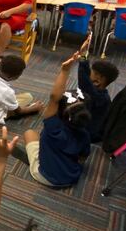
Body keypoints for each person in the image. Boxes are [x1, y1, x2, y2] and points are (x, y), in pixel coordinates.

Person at [23, 52, 92, 187]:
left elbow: (54, 97)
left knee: (29, 133)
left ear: (58, 112)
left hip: (46, 177)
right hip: (72, 176)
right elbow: (82, 158)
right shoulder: (85, 135)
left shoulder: (53, 129)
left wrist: (65, 70)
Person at [0, 53, 42, 125]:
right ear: (15, 77)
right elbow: (19, 112)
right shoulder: (7, 92)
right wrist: (34, 108)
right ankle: (18, 107)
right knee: (28, 97)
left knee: (13, 99)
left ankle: (11, 103)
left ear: (0, 66)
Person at [76, 35, 119, 143]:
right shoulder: (99, 92)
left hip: (89, 134)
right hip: (90, 128)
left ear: (99, 80)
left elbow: (84, 81)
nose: (88, 73)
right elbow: (86, 77)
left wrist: (82, 56)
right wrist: (84, 55)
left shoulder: (99, 98)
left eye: (92, 73)